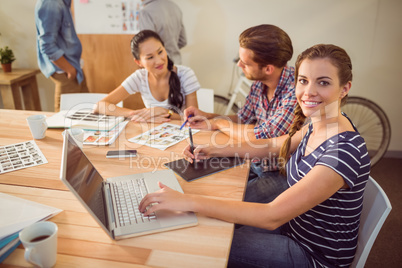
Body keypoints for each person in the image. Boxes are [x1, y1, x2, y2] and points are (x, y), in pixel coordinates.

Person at [139, 44, 371, 267]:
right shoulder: (319, 123)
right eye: (303, 81)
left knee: (205, 241)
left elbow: (272, 215)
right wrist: (214, 150)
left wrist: (186, 200)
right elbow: (272, 145)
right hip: (292, 228)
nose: (309, 91)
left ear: (344, 88)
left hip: (312, 255)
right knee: (209, 225)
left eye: (323, 82)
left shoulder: (342, 152)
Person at [184, 24, 297, 143]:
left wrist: (218, 123)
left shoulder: (297, 91)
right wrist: (207, 116)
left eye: (245, 63)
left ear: (268, 69)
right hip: (257, 157)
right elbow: (242, 119)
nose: (239, 64)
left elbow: (264, 135)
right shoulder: (259, 84)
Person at [95, 30, 199, 122]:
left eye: (160, 52)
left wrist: (164, 112)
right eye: (150, 57)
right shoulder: (140, 77)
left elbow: (193, 119)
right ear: (138, 62)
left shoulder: (185, 75)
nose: (159, 61)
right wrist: (137, 114)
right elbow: (101, 106)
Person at [35, 0, 89, 112]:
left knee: (86, 112)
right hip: (66, 71)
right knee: (65, 119)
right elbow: (47, 46)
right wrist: (69, 70)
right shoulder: (51, 3)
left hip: (74, 67)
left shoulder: (63, 3)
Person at [138, 0, 187, 64]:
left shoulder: (146, 11)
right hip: (177, 64)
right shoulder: (175, 7)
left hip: (159, 65)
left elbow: (148, 45)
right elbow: (183, 41)